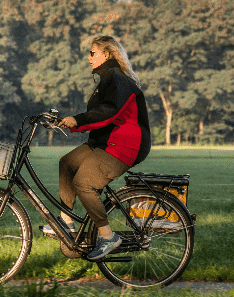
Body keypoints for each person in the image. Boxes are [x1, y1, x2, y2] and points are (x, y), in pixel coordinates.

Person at [43, 35, 151, 260]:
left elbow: (110, 111)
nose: (88, 57)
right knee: (67, 163)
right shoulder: (106, 79)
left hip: (125, 145)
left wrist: (79, 120)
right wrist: (69, 121)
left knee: (84, 182)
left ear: (107, 54)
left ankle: (108, 235)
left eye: (92, 52)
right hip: (104, 141)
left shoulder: (117, 79)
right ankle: (66, 223)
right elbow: (99, 116)